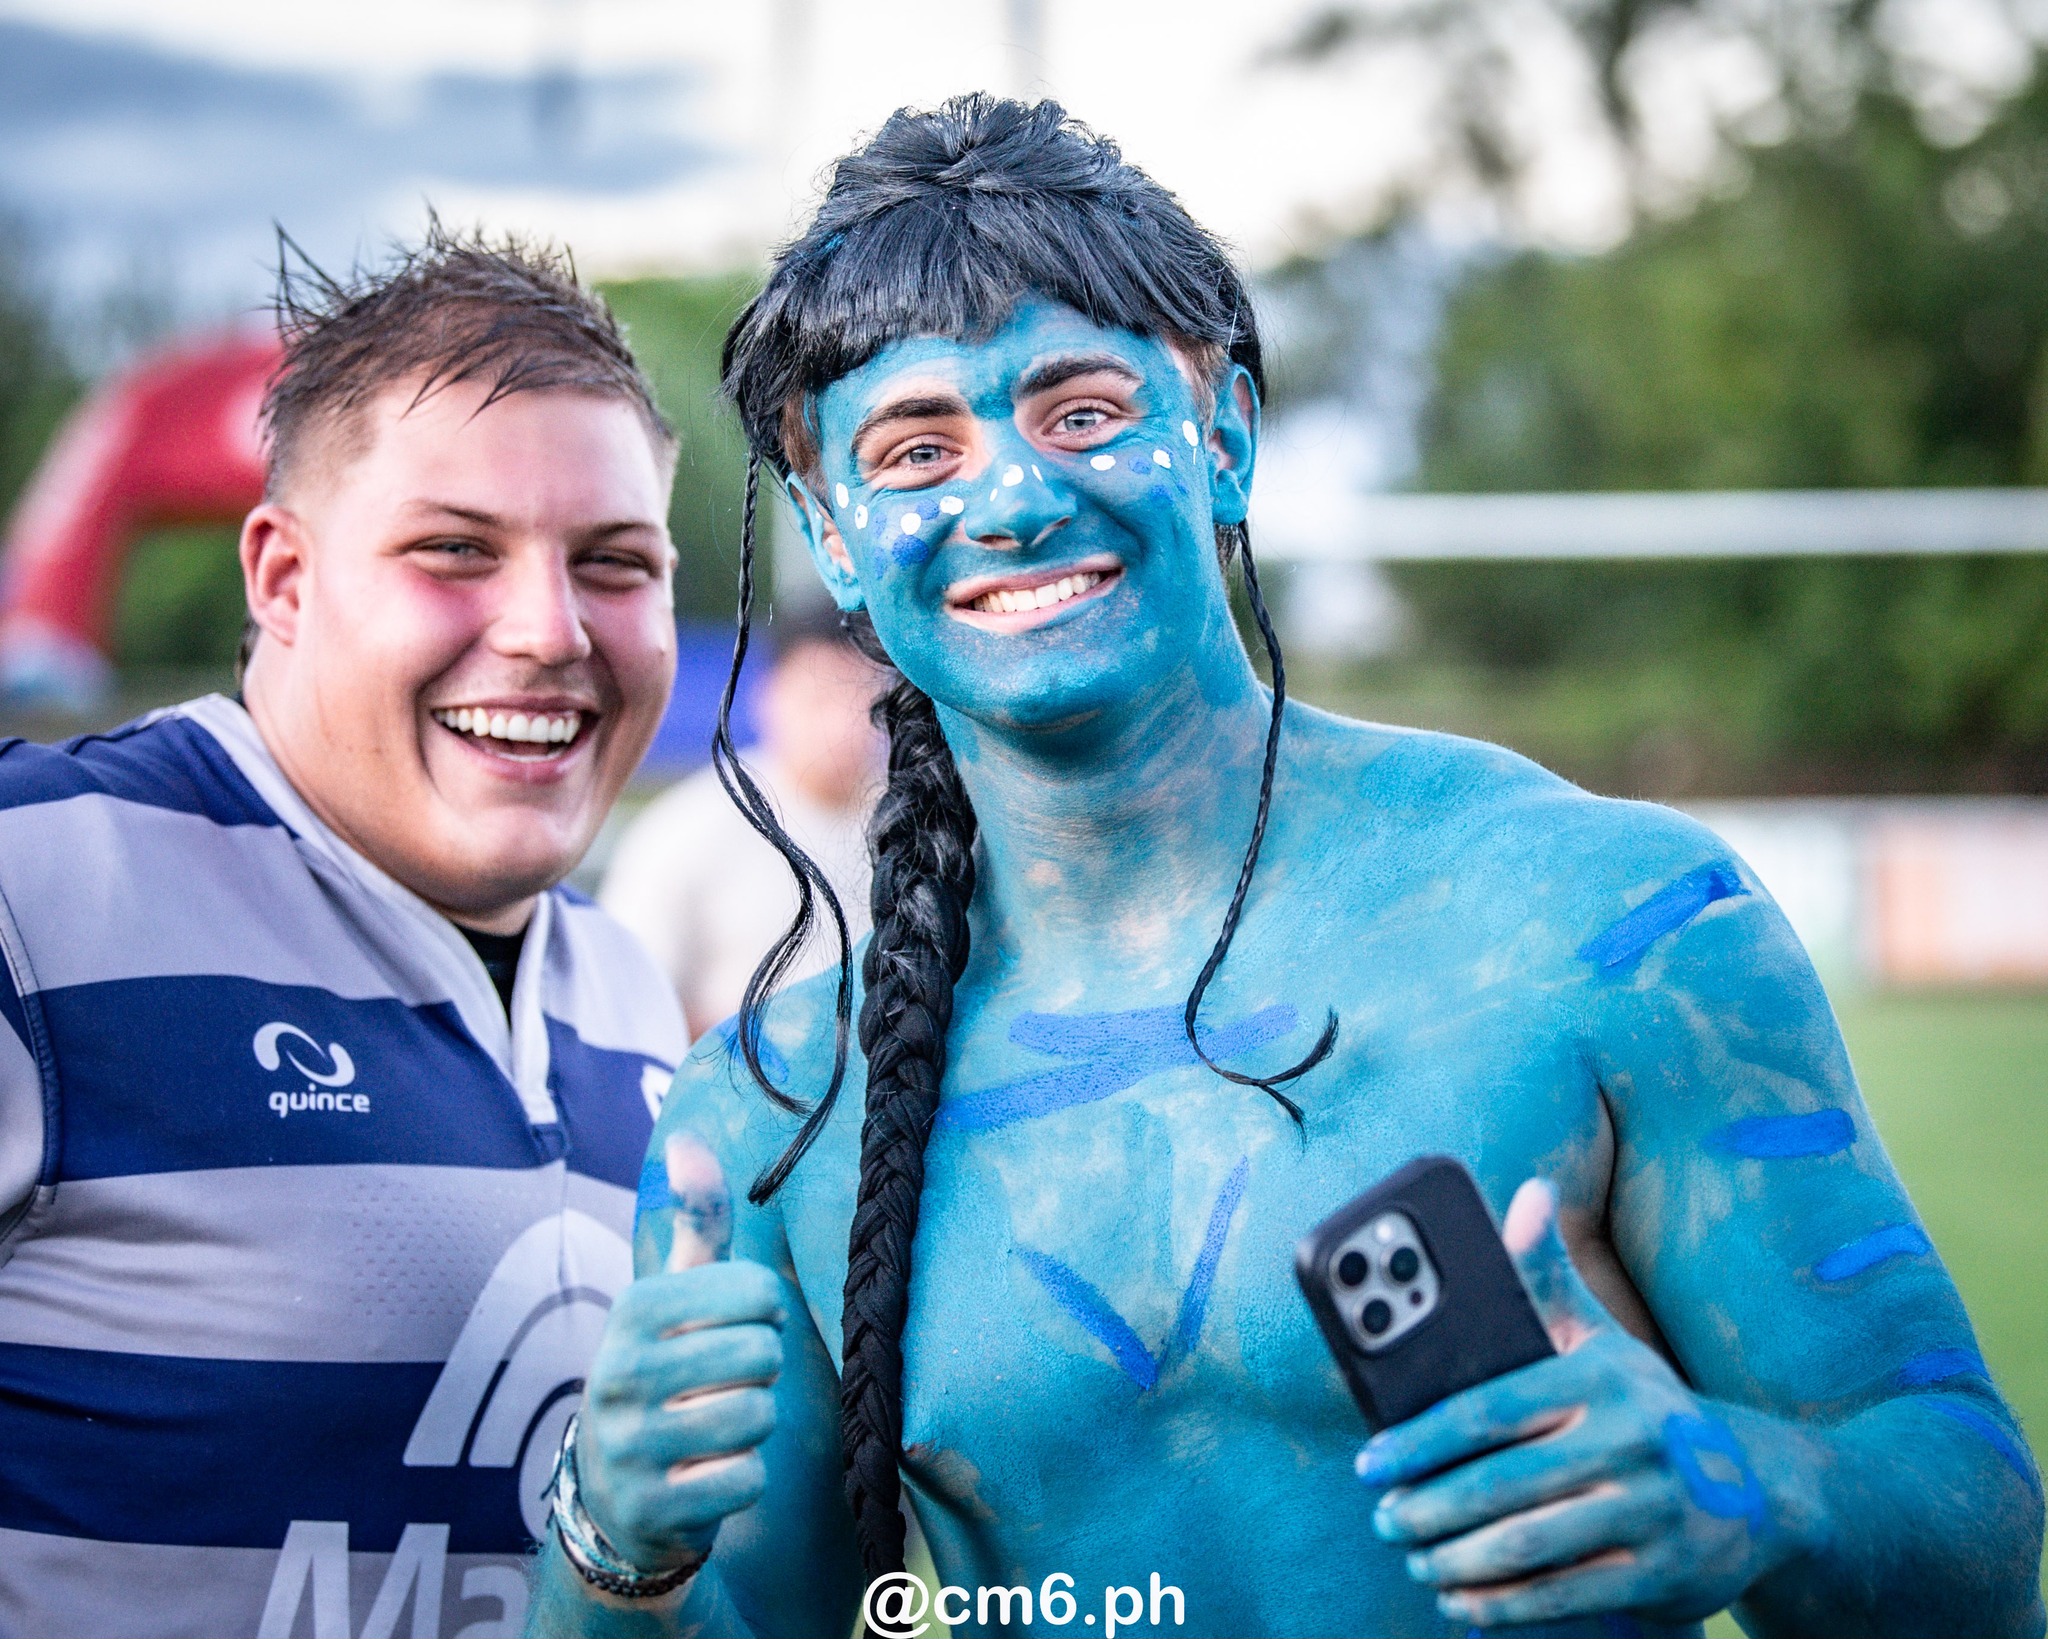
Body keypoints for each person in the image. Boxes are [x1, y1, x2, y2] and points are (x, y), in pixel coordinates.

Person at [531, 98, 2044, 1639]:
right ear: (836, 539)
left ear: (1229, 434)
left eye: (1080, 409)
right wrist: (613, 1537)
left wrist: (1749, 1486)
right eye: (919, 447)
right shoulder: (781, 1107)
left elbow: (1976, 1549)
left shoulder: (1599, 922)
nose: (1010, 497)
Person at [0, 228, 687, 1638]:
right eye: (455, 550)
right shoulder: (35, 890)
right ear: (283, 578)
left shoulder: (625, 989)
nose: (549, 629)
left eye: (614, 563)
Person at [600, 612, 882, 1041]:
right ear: (769, 697)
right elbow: (623, 999)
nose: (844, 725)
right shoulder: (686, 830)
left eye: (866, 700)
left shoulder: (925, 823)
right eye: (821, 699)